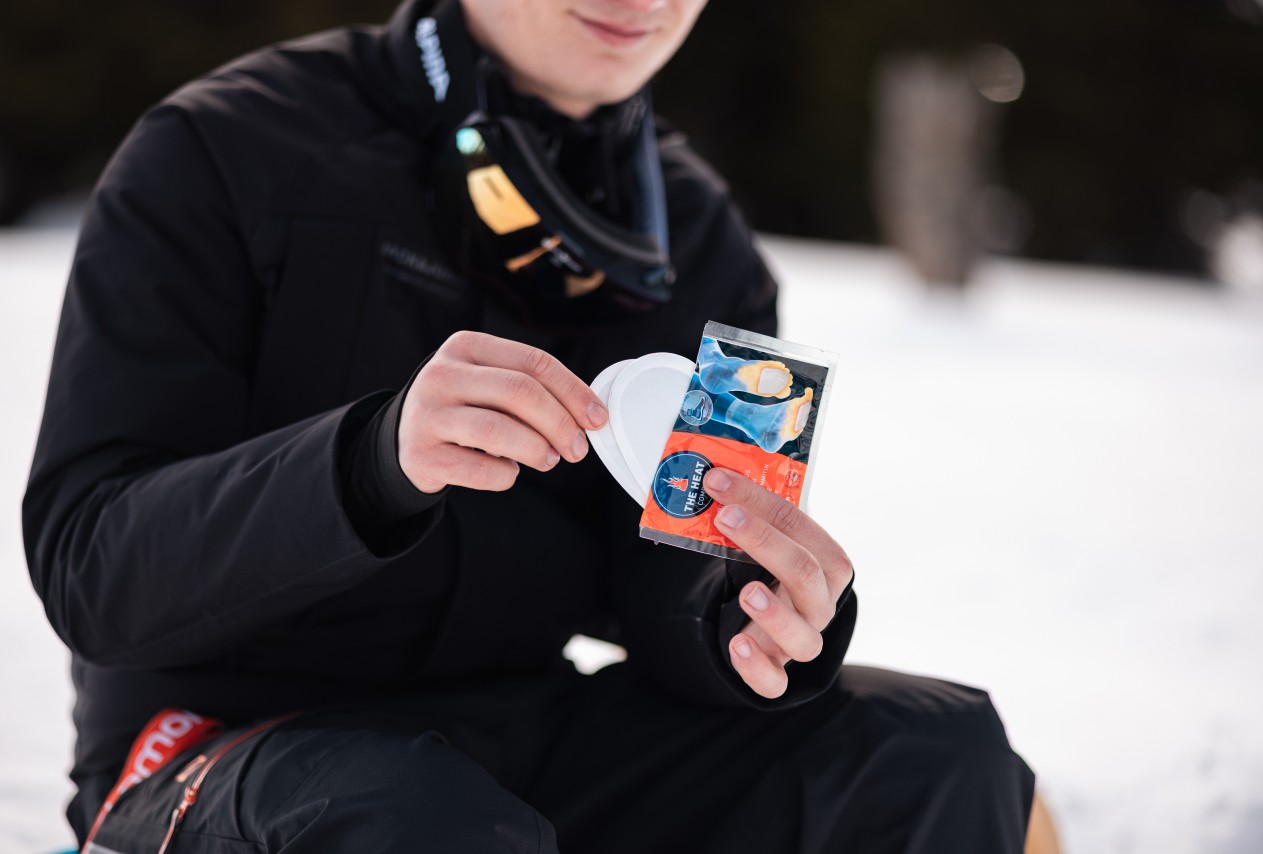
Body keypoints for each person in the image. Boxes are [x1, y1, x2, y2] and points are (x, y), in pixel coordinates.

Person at [23, 0, 1036, 851]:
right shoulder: (223, 146)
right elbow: (92, 563)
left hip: (511, 739)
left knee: (936, 748)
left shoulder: (699, 235)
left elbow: (662, 591)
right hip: (216, 749)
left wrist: (745, 621)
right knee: (421, 818)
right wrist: (368, 463)